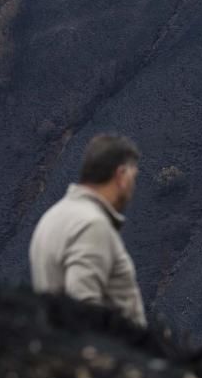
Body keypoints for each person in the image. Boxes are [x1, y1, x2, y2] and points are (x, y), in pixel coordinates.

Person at [29, 134, 147, 328]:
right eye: (133, 176)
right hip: (109, 354)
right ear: (121, 176)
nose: (133, 187)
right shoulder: (92, 225)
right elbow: (85, 308)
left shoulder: (52, 217)